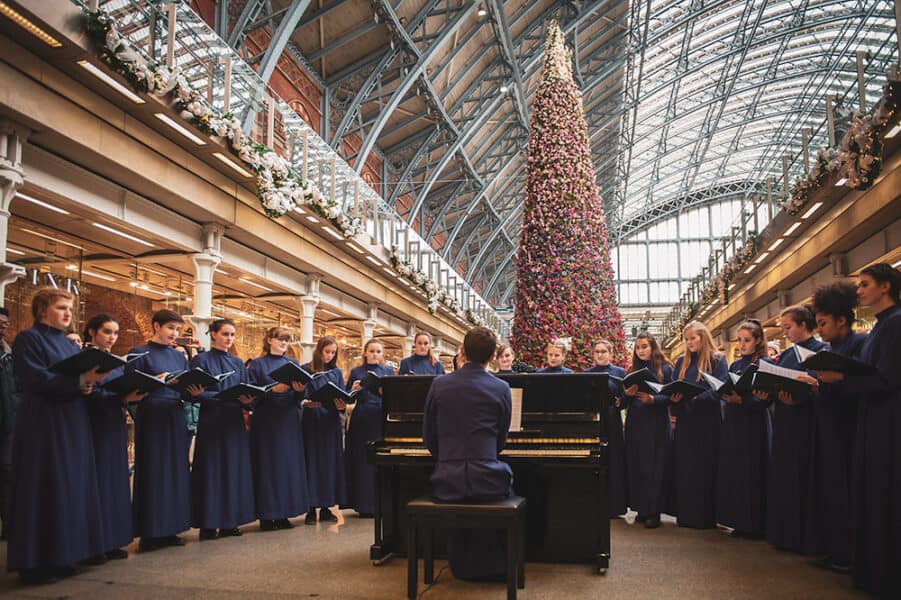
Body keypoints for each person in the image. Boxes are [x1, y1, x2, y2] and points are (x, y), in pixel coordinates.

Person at [7, 288, 107, 583]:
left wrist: (88, 385)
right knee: (46, 483)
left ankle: (65, 553)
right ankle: (37, 561)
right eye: (61, 308)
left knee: (70, 485)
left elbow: (77, 378)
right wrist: (80, 381)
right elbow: (35, 378)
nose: (68, 314)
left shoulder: (68, 344)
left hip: (72, 418)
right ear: (41, 311)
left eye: (70, 309)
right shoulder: (29, 339)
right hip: (44, 421)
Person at [814, 263, 901, 597]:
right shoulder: (882, 326)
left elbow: (886, 378)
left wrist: (843, 379)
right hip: (872, 419)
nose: (859, 290)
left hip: (886, 421)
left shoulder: (894, 325)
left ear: (885, 286)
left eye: (865, 284)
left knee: (881, 495)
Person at [423, 326, 512, 581]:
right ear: (494, 356)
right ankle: (492, 564)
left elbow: (429, 437)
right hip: (487, 478)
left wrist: (449, 459)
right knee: (510, 485)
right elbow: (501, 441)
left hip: (446, 480)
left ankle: (459, 562)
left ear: (462, 351)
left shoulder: (439, 385)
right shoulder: (501, 387)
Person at [754, 305, 827, 553]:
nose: (784, 332)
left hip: (806, 425)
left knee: (803, 478)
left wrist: (803, 394)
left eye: (788, 327)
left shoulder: (820, 351)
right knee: (784, 478)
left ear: (804, 325)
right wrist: (763, 393)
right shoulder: (786, 355)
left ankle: (804, 537)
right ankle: (783, 533)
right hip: (784, 424)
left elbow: (820, 387)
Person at [805, 282, 866, 572]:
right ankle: (836, 548)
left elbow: (861, 384)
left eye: (823, 323)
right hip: (828, 425)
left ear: (842, 320)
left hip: (847, 428)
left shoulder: (859, 345)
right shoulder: (831, 348)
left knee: (846, 489)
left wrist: (833, 380)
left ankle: (849, 553)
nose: (819, 330)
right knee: (831, 490)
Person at [126, 309, 193, 552]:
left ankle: (171, 528)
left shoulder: (179, 357)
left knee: (176, 471)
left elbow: (184, 387)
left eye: (177, 330)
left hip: (174, 414)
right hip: (151, 414)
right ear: (156, 326)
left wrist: (192, 391)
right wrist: (158, 380)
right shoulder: (139, 353)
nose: (174, 334)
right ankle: (150, 531)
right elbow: (131, 389)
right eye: (170, 328)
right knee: (153, 471)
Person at [83, 314, 146, 561]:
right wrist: (119, 397)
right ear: (92, 333)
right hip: (94, 424)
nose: (112, 337)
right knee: (97, 483)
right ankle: (93, 544)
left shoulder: (118, 364)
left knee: (115, 482)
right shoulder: (86, 360)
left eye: (115, 333)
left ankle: (112, 540)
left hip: (114, 424)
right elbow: (88, 393)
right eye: (107, 332)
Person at [190, 319, 255, 540]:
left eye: (232, 335)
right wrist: (214, 396)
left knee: (232, 471)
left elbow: (247, 391)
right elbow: (194, 391)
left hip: (233, 422)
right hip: (212, 422)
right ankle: (209, 523)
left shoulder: (237, 362)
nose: (229, 339)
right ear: (214, 334)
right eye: (225, 334)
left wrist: (248, 399)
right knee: (212, 471)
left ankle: (230, 521)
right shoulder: (201, 359)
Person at [668, 321, 729, 529]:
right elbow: (674, 385)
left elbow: (720, 388)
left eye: (693, 338)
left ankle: (707, 516)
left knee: (706, 466)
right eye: (687, 339)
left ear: (703, 337)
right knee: (686, 467)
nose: (690, 342)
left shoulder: (717, 359)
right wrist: (674, 398)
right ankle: (687, 515)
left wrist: (697, 398)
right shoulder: (681, 362)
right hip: (687, 420)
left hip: (708, 420)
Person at [247, 327, 308, 531]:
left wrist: (299, 391)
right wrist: (273, 391)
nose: (284, 343)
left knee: (286, 467)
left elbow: (299, 396)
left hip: (288, 420)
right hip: (266, 420)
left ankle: (284, 513)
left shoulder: (292, 364)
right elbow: (251, 394)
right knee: (266, 466)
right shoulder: (257, 364)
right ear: (269, 340)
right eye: (280, 339)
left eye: (287, 340)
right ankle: (266, 515)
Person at [716, 320, 769, 538]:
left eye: (747, 340)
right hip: (734, 421)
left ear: (757, 341)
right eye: (739, 340)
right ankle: (738, 521)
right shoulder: (735, 365)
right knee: (736, 471)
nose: (742, 344)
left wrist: (744, 400)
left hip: (752, 423)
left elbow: (765, 397)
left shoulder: (764, 363)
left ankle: (755, 523)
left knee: (752, 470)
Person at [623, 332, 674, 529]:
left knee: (655, 467)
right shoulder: (632, 369)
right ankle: (642, 509)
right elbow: (624, 399)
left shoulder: (665, 368)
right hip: (636, 423)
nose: (641, 350)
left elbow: (671, 395)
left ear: (652, 347)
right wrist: (627, 395)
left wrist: (654, 399)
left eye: (644, 346)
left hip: (656, 424)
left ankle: (654, 511)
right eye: (637, 347)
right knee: (638, 466)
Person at [343, 339, 395, 518]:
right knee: (361, 461)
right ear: (365, 353)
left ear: (382, 354)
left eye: (378, 351)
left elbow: (395, 397)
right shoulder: (356, 371)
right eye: (371, 351)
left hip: (380, 417)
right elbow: (347, 399)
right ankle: (363, 504)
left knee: (379, 461)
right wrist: (353, 389)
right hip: (362, 419)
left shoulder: (388, 372)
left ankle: (381, 503)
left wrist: (384, 392)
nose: (375, 354)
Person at [302, 335, 346, 524]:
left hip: (330, 422)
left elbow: (342, 396)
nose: (329, 356)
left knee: (329, 464)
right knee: (312, 462)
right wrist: (305, 402)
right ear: (319, 351)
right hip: (312, 421)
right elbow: (301, 395)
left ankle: (327, 506)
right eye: (326, 352)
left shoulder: (336, 372)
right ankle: (311, 509)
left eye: (333, 353)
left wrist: (341, 405)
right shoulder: (306, 369)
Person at [585, 340, 628, 517]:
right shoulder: (587, 373)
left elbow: (626, 399)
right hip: (594, 422)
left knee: (615, 461)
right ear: (593, 354)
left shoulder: (620, 372)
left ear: (610, 353)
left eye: (604, 351)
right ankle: (595, 505)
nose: (601, 354)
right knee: (596, 462)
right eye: (597, 352)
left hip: (612, 420)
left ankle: (615, 507)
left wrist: (621, 402)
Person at [0, 307, 21, 542]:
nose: (2, 326)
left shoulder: (9, 354)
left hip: (8, 421)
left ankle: (8, 522)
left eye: (5, 323)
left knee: (7, 472)